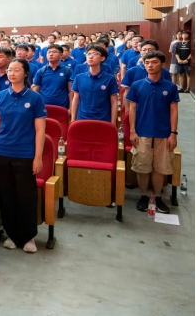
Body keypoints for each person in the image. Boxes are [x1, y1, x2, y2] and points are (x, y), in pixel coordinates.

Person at [0, 59, 46, 253]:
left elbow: (40, 130)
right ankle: (12, 234)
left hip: (25, 153)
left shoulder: (35, 98)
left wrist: (38, 157)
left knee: (26, 196)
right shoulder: (0, 96)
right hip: (2, 151)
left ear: (25, 73)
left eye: (16, 70)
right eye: (10, 70)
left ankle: (29, 236)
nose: (12, 73)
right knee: (6, 195)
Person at [126, 51, 179, 215]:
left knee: (159, 168)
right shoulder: (137, 85)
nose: (150, 65)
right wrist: (132, 131)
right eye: (147, 62)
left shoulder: (170, 87)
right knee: (142, 167)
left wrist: (173, 133)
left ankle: (157, 197)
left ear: (162, 64)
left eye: (154, 62)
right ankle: (143, 195)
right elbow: (132, 109)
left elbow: (174, 111)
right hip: (142, 133)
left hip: (164, 134)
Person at [70, 45, 118, 123]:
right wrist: (73, 120)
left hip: (103, 119)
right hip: (82, 119)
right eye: (89, 54)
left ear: (102, 58)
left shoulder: (110, 78)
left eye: (95, 54)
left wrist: (113, 123)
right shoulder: (79, 77)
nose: (91, 56)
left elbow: (114, 102)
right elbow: (75, 99)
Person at [32, 45, 72, 109]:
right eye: (49, 52)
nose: (51, 54)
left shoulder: (67, 71)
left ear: (61, 54)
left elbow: (71, 92)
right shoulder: (41, 71)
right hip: (43, 107)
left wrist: (71, 108)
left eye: (54, 52)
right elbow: (35, 90)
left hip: (62, 107)